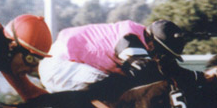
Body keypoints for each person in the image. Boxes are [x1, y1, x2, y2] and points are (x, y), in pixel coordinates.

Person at [38, 19, 191, 92]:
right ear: (152, 44)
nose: (161, 58)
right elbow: (146, 74)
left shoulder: (140, 34)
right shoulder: (130, 40)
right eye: (163, 54)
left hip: (66, 62)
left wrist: (196, 76)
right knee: (119, 90)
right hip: (59, 67)